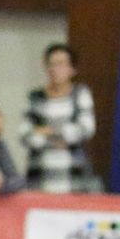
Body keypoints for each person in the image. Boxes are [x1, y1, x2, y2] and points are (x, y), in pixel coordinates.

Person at [22, 44, 99, 194]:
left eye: (60, 64)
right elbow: (25, 135)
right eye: (50, 64)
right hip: (39, 178)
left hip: (73, 178)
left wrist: (45, 131)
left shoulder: (80, 94)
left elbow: (86, 130)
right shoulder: (34, 97)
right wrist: (62, 137)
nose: (54, 69)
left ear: (72, 69)